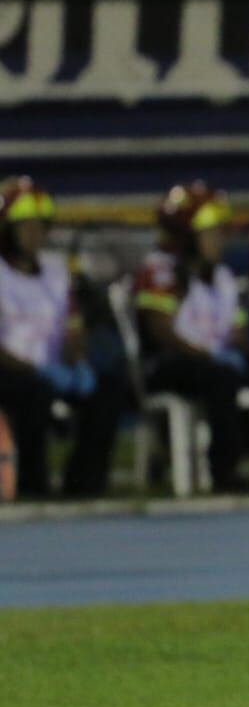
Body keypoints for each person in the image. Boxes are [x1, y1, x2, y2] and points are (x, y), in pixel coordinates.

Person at [138, 181, 249, 491]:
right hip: (173, 364)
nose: (220, 240)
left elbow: (238, 332)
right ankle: (225, 472)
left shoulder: (222, 276)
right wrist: (207, 354)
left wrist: (233, 346)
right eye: (211, 233)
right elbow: (160, 331)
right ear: (187, 236)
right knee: (219, 378)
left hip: (217, 363)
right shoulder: (161, 272)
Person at [0, 178, 122, 498]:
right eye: (26, 227)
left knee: (107, 391)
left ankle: (83, 485)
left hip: (53, 369)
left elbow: (73, 326)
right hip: (11, 370)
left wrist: (79, 362)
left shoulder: (56, 271)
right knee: (33, 394)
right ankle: (32, 486)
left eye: (41, 227)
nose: (35, 235)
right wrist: (30, 370)